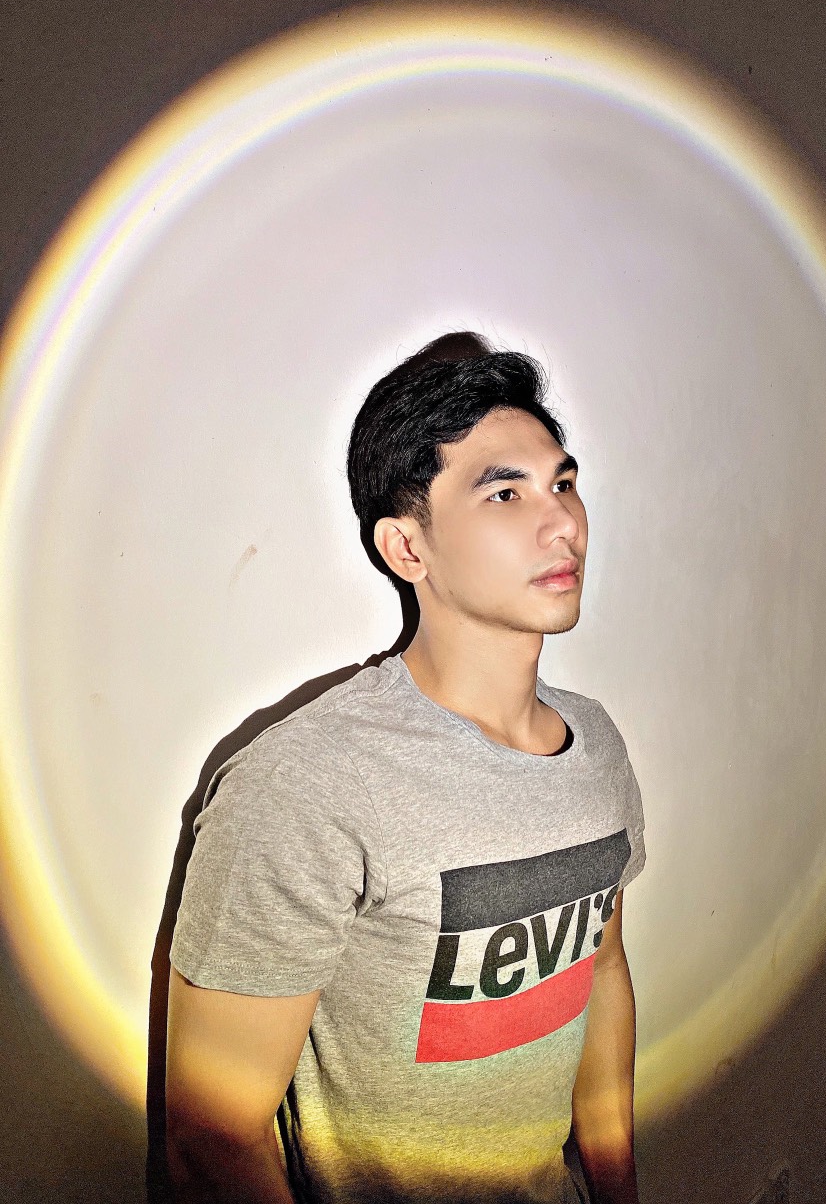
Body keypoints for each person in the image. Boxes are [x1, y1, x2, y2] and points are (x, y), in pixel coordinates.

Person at [165, 331, 647, 1204]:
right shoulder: (304, 783)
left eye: (564, 483)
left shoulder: (598, 744)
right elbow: (213, 1139)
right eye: (506, 492)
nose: (564, 522)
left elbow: (602, 972)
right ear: (407, 549)